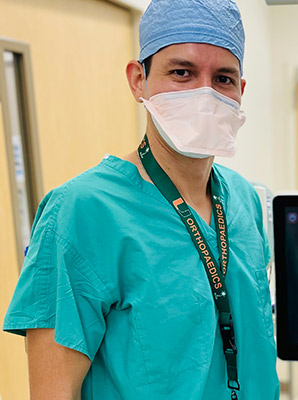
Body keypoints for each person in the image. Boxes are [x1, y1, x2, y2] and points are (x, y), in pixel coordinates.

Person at [2, 0, 279, 399]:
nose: (204, 93)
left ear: (240, 91)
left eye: (223, 78)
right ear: (138, 80)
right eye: (181, 72)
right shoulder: (81, 213)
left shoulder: (242, 200)